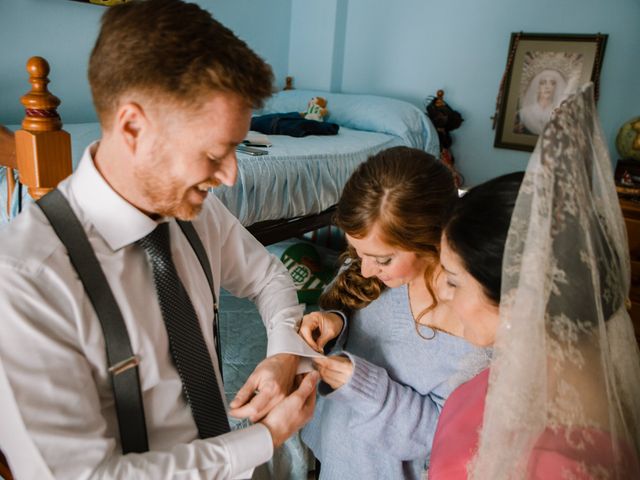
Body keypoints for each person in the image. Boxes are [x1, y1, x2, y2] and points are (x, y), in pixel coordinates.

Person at [0, 1, 319, 478]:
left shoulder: (195, 210)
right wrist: (265, 437)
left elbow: (267, 275)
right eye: (215, 152)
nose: (230, 176)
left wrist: (281, 353)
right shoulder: (27, 282)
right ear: (133, 127)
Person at [429, 84, 640, 478]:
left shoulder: (563, 464)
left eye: (454, 281)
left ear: (518, 298)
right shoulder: (517, 362)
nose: (441, 291)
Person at [297, 146, 490, 480]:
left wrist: (358, 382)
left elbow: (439, 435)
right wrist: (335, 324)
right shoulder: (371, 271)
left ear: (431, 239)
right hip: (337, 460)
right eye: (358, 252)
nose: (367, 270)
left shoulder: (473, 320)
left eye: (382, 259)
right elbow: (361, 332)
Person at [515, 68, 567, 135]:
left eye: (552, 83)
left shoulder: (559, 115)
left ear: (555, 88)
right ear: (538, 87)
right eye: (543, 83)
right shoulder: (524, 113)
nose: (547, 87)